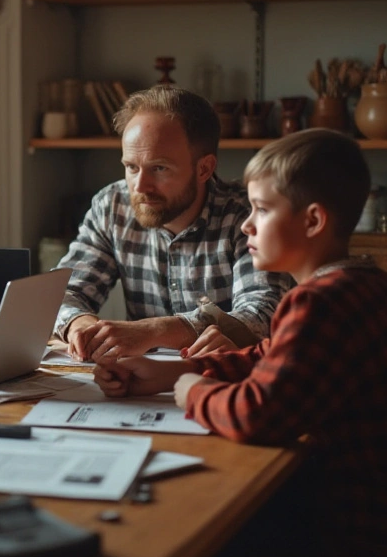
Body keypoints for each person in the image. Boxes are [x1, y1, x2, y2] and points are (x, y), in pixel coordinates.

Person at [92, 129, 387, 557]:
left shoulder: (319, 303)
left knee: (188, 533)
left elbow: (257, 415)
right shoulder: (367, 284)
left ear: (312, 221)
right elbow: (269, 357)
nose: (247, 223)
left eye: (262, 210)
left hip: (364, 534)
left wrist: (192, 390)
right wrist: (169, 373)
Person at [52, 85, 292, 362]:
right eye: (131, 167)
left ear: (204, 168)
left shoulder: (247, 216)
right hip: (135, 384)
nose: (140, 186)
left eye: (159, 168)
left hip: (218, 381)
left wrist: (154, 330)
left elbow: (262, 314)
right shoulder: (112, 205)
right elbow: (61, 293)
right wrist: (79, 324)